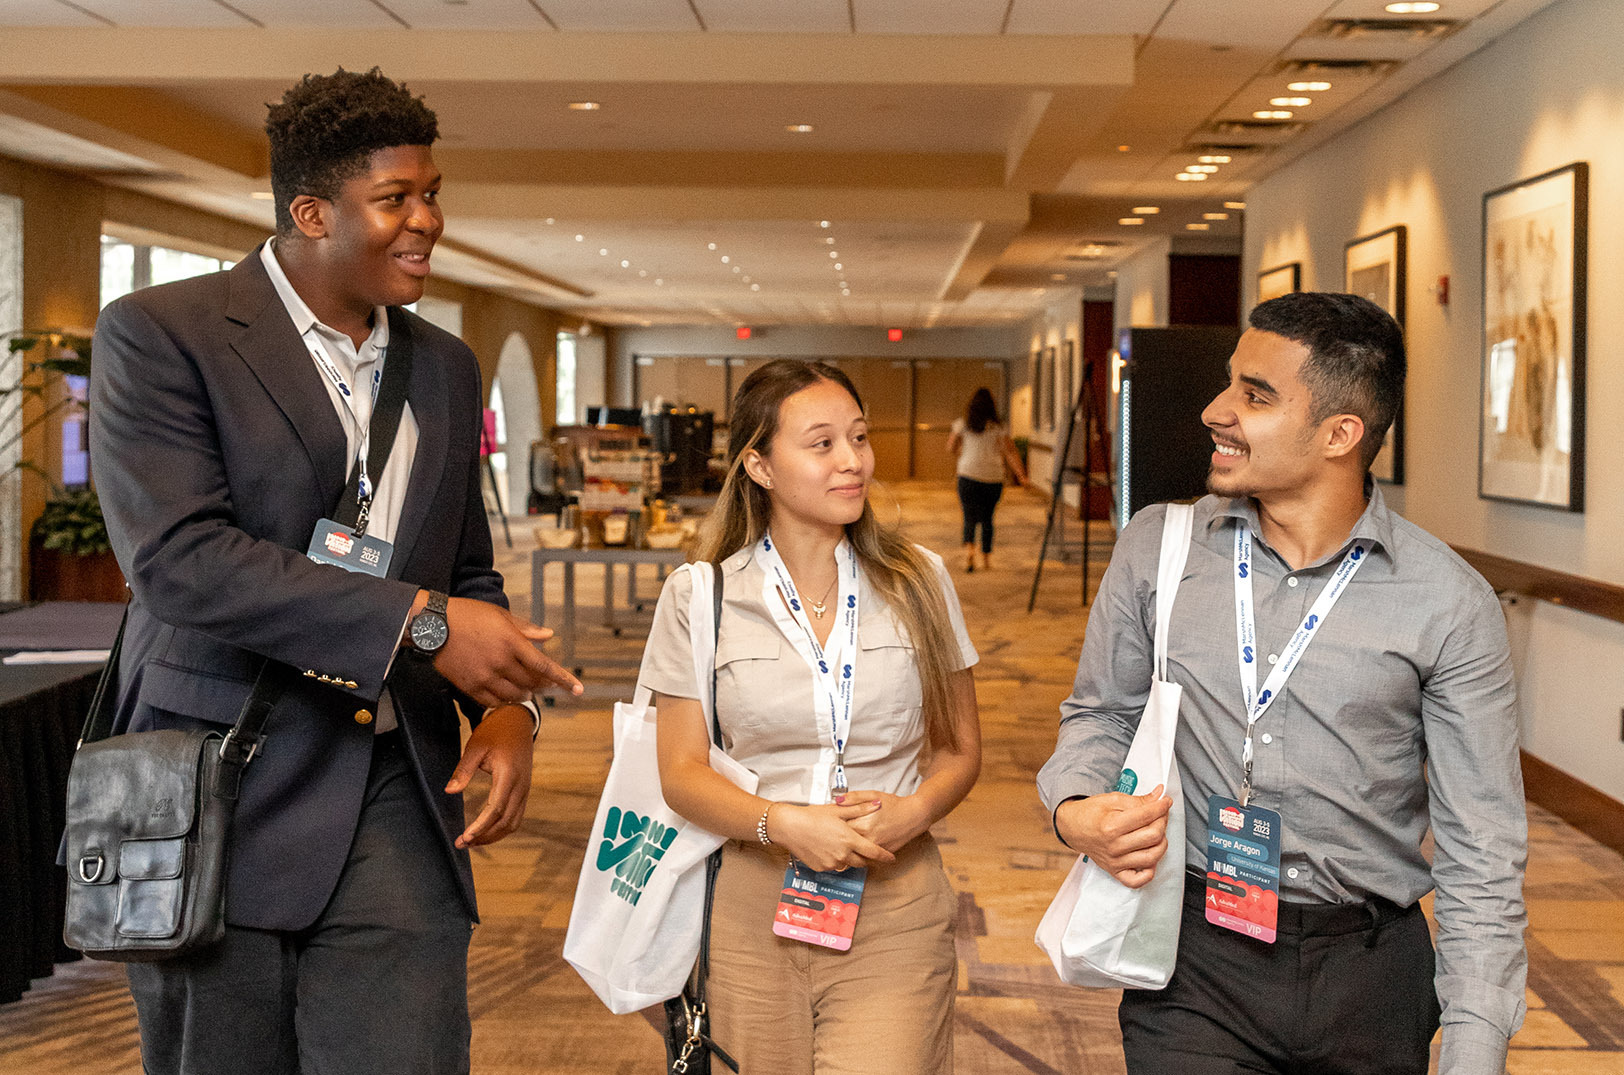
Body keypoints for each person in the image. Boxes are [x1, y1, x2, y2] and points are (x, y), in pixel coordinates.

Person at [89, 68, 581, 1075]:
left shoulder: (445, 366)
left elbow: (464, 568)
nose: (427, 220)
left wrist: (506, 710)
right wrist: (425, 625)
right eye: (396, 198)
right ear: (311, 211)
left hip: (392, 781)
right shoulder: (163, 334)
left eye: (432, 193)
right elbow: (181, 563)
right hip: (218, 787)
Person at [1037, 292, 1527, 1075]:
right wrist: (1074, 807)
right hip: (1197, 958)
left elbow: (1483, 849)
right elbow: (1101, 710)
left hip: (1370, 970)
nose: (1215, 410)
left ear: (1340, 434)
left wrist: (1475, 1050)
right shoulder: (1158, 548)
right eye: (1229, 382)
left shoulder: (1449, 601)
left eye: (1255, 395)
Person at [638, 359, 982, 1074]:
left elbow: (960, 750)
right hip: (750, 903)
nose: (852, 460)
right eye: (822, 443)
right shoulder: (699, 596)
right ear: (759, 465)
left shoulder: (920, 580)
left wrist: (914, 812)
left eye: (858, 437)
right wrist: (784, 824)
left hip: (894, 897)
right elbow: (680, 772)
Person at [946, 386, 1026, 573]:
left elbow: (950, 447)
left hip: (968, 474)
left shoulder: (962, 424)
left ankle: (969, 554)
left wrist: (963, 452)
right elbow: (1010, 452)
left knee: (969, 516)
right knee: (988, 518)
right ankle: (986, 558)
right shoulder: (999, 427)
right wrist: (1021, 475)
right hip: (993, 477)